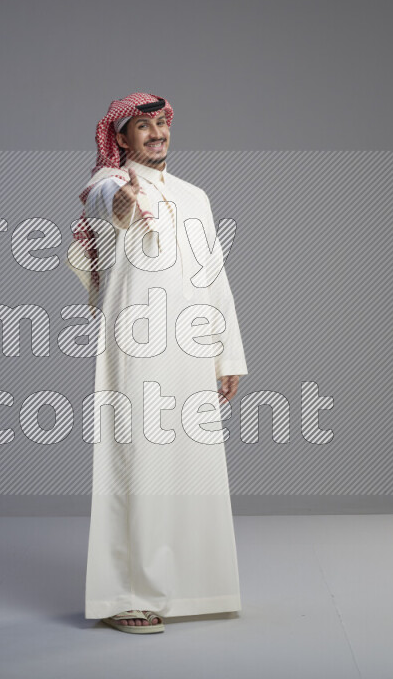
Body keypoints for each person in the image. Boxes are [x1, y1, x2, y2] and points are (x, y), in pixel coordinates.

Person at [66, 93, 249, 634]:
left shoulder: (196, 198)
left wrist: (227, 353)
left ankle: (191, 588)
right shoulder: (106, 184)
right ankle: (126, 595)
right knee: (136, 467)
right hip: (136, 349)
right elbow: (107, 206)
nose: (156, 134)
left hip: (192, 351)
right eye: (141, 127)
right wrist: (123, 197)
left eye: (161, 124)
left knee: (193, 468)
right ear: (120, 138)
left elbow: (215, 280)